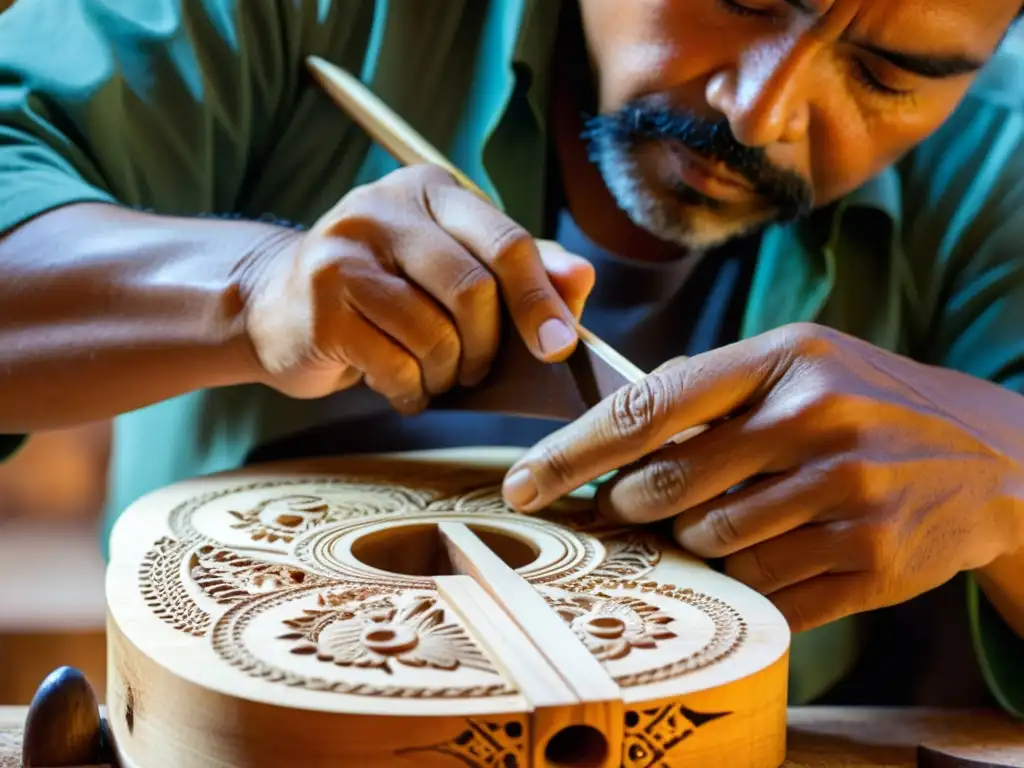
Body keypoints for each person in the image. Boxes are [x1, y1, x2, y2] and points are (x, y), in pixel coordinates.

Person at [0, 0, 1022, 716]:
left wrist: (1008, 492)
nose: (760, 112)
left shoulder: (1000, 153)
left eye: (887, 75)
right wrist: (252, 289)